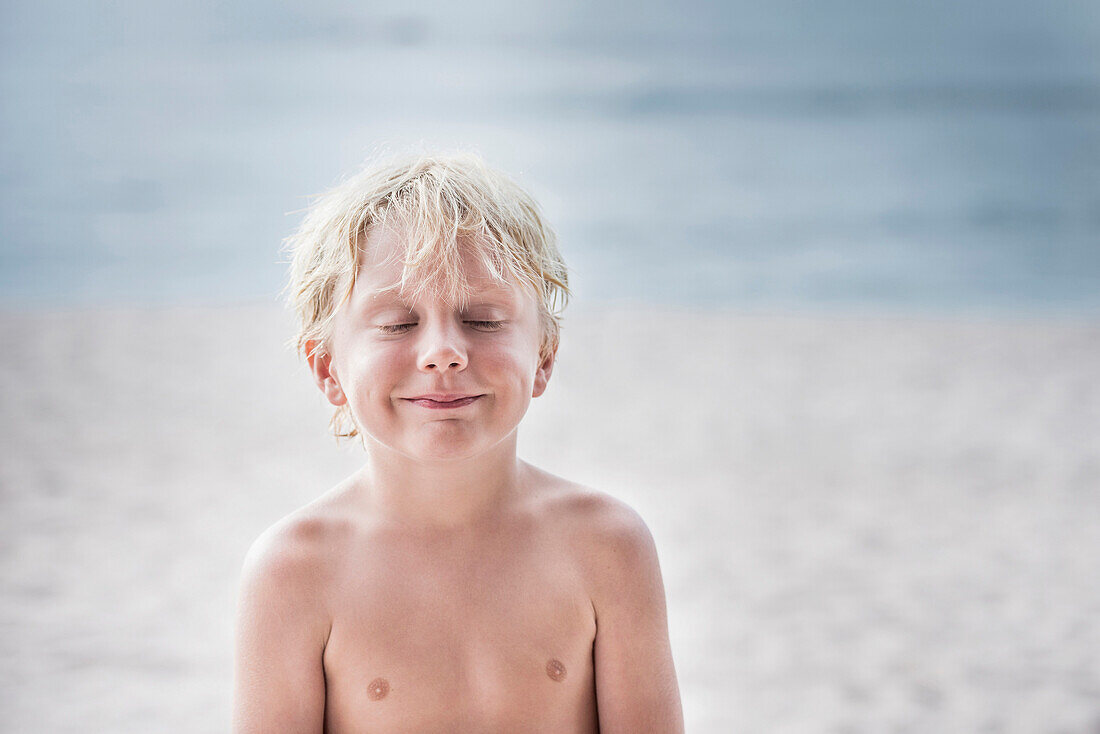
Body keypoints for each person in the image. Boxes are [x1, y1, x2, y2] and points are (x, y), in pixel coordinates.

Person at [232, 153, 683, 733]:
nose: (443, 351)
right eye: (397, 323)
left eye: (484, 320)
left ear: (543, 356)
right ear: (327, 369)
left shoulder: (606, 547)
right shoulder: (294, 570)